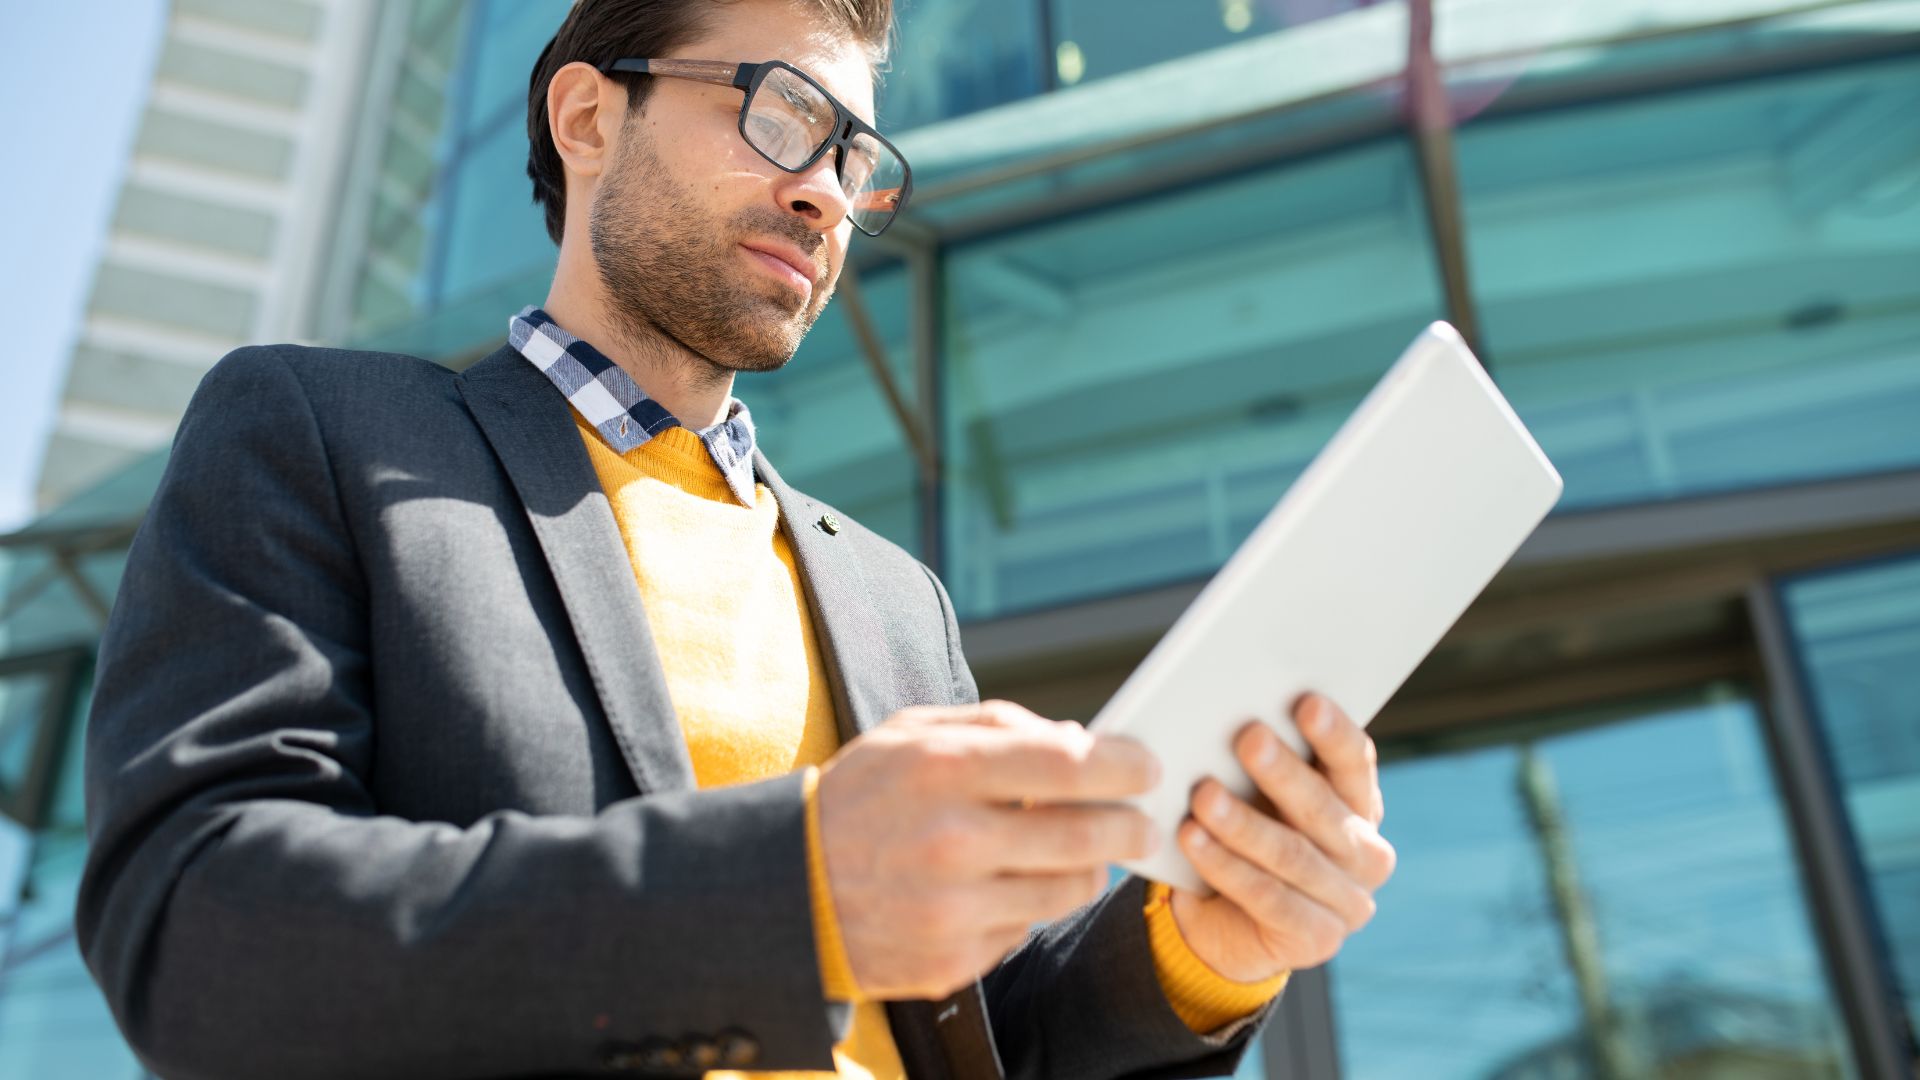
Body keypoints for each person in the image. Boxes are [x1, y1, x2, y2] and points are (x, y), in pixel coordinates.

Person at [75, 0, 1397, 1076]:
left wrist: (1199, 954)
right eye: (782, 115)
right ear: (589, 113)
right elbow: (199, 926)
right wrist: (795, 892)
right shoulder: (324, 434)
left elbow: (1010, 1042)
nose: (827, 194)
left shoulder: (895, 601)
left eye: (854, 158)